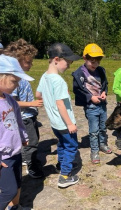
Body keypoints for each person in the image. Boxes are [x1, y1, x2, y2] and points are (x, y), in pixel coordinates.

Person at [36, 43, 80, 188]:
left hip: (54, 123)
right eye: (67, 63)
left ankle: (61, 165)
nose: (68, 66)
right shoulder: (58, 80)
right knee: (71, 146)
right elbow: (61, 104)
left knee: (62, 144)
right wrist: (70, 123)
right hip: (64, 123)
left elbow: (38, 94)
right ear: (56, 59)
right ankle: (65, 176)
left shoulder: (45, 76)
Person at [2, 39, 44, 179]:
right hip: (23, 117)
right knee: (31, 144)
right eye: (28, 62)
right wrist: (32, 103)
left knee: (34, 140)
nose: (31, 64)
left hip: (30, 115)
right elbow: (13, 103)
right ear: (17, 62)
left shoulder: (21, 79)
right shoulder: (11, 81)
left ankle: (29, 160)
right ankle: (31, 166)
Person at [0, 54, 33, 210]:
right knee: (8, 190)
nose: (17, 86)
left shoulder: (10, 100)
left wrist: (23, 136)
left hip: (15, 151)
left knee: (18, 183)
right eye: (14, 81)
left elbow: (18, 121)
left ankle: (15, 207)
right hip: (3, 156)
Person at [72, 43, 111, 165]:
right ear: (85, 58)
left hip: (102, 104)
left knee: (103, 127)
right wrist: (90, 97)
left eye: (97, 62)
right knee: (94, 130)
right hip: (91, 106)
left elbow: (105, 84)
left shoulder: (100, 71)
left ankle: (102, 144)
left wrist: (104, 92)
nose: (95, 64)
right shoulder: (79, 74)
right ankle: (94, 151)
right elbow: (77, 90)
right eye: (92, 61)